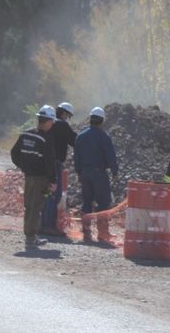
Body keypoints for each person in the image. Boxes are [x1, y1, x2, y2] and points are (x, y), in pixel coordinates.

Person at [11, 105, 57, 250]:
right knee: (37, 206)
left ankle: (30, 236)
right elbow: (50, 162)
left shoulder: (25, 134)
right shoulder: (46, 139)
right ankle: (31, 238)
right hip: (42, 180)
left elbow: (14, 153)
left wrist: (24, 166)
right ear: (47, 121)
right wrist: (53, 181)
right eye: (52, 121)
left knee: (29, 206)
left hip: (29, 178)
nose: (53, 124)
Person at [73, 106, 118, 244]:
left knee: (87, 201)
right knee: (103, 203)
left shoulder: (80, 136)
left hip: (85, 173)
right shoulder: (103, 137)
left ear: (90, 119)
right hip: (99, 173)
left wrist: (79, 173)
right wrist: (115, 172)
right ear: (101, 121)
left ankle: (86, 232)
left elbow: (77, 157)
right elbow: (111, 156)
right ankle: (103, 234)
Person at [40, 102, 77, 237]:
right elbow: (74, 141)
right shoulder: (62, 125)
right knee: (54, 195)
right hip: (55, 164)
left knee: (45, 193)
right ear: (64, 113)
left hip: (42, 163)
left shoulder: (46, 124)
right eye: (68, 116)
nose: (68, 118)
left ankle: (40, 223)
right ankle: (48, 226)